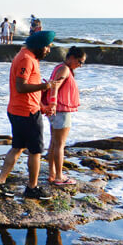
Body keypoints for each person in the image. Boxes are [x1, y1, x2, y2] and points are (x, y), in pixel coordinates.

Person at [0, 30, 62, 200]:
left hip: (21, 109)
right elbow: (21, 87)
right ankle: (32, 187)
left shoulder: (27, 57)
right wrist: (46, 87)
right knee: (36, 151)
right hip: (26, 112)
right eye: (47, 46)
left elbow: (27, 90)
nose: (49, 50)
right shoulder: (26, 59)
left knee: (17, 147)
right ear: (39, 46)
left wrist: (42, 106)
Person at [46, 47, 86, 186]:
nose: (80, 65)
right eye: (80, 62)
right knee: (60, 145)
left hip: (57, 110)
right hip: (61, 110)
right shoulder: (64, 69)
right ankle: (58, 176)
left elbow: (53, 85)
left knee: (54, 143)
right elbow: (55, 86)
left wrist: (52, 105)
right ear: (72, 58)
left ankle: (52, 173)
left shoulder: (59, 67)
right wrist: (53, 103)